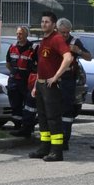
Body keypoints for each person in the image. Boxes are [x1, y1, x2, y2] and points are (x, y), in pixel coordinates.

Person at [29, 12, 72, 162]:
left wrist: (56, 76)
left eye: (47, 22)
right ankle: (44, 147)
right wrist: (36, 85)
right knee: (42, 118)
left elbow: (68, 58)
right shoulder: (44, 40)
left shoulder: (57, 38)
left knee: (53, 118)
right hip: (41, 84)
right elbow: (41, 65)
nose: (44, 24)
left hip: (51, 85)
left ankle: (56, 151)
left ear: (54, 25)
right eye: (42, 22)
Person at [55, 18, 89, 147]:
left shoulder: (75, 41)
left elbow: (89, 57)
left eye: (67, 32)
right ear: (56, 30)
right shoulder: (52, 40)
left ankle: (64, 140)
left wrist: (78, 51)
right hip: (53, 80)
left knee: (67, 111)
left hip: (68, 80)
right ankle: (54, 140)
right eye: (62, 32)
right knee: (53, 110)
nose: (65, 35)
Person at [4, 25, 37, 138]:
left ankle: (28, 127)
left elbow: (36, 66)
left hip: (27, 81)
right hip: (14, 80)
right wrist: (14, 72)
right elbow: (8, 63)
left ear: (26, 34)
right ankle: (17, 126)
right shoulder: (12, 47)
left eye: (21, 33)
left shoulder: (32, 48)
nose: (19, 36)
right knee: (15, 105)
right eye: (17, 33)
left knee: (28, 105)